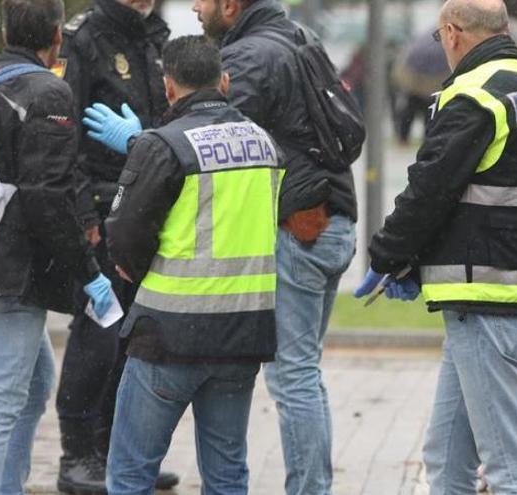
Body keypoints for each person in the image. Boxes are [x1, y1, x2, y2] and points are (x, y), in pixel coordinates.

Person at [354, 0, 517, 493]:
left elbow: (431, 188)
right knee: (446, 458)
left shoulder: (472, 95)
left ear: (451, 33)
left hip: (488, 299)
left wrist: (388, 256)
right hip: (512, 291)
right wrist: (417, 262)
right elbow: (489, 194)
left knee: (512, 467)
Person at [82, 34, 284, 493]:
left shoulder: (163, 145)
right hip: (243, 332)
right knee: (228, 471)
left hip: (169, 334)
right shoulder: (264, 145)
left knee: (131, 472)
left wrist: (129, 267)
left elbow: (125, 231)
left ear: (169, 86)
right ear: (226, 81)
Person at [193, 0, 358, 493]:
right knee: (304, 372)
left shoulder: (247, 56)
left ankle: (310, 489)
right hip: (330, 220)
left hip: (297, 229)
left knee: (292, 379)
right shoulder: (299, 39)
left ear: (230, 5)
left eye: (202, 0)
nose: (195, 8)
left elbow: (209, 136)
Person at [0, 0, 114, 492]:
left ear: (5, 29)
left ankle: (7, 485)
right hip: (15, 270)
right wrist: (89, 272)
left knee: (35, 385)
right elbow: (48, 197)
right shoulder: (48, 91)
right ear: (56, 35)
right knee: (2, 397)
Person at [54, 0, 177, 491]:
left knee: (138, 336)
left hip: (147, 206)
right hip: (101, 209)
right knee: (97, 333)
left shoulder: (156, 37)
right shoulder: (82, 38)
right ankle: (77, 454)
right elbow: (63, 138)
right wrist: (83, 214)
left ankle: (117, 452)